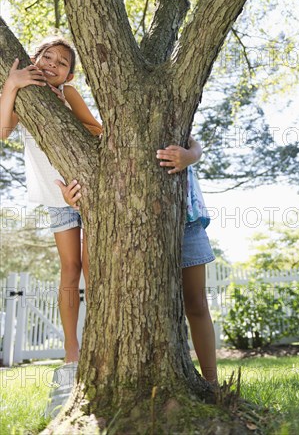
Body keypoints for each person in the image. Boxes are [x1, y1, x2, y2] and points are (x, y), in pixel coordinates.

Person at [60, 137, 218, 383]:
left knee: (196, 302)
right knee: (143, 305)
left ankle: (211, 383)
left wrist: (190, 156)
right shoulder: (111, 134)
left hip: (186, 218)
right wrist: (74, 201)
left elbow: (195, 144)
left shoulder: (173, 119)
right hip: (137, 229)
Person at [0, 38, 102, 364]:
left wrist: (63, 108)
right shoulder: (26, 95)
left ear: (68, 76)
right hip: (56, 196)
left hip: (86, 188)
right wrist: (12, 84)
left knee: (92, 267)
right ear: (34, 58)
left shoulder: (68, 93)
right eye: (48, 57)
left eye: (62, 63)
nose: (52, 64)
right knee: (70, 269)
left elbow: (97, 129)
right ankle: (72, 352)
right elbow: (3, 131)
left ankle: (99, 343)